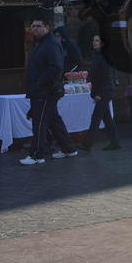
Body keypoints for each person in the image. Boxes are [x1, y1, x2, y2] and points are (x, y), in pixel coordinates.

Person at [21, 18, 78, 165]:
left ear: (47, 27)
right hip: (40, 89)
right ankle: (68, 148)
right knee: (54, 121)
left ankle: (36, 155)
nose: (35, 29)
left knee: (40, 123)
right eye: (33, 26)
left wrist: (40, 82)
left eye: (38, 26)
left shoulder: (51, 43)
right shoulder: (41, 44)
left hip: (46, 90)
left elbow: (56, 67)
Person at [76, 34, 121, 152]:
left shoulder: (105, 56)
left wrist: (100, 94)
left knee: (96, 117)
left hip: (106, 91)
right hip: (104, 90)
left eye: (97, 41)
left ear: (103, 43)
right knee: (106, 118)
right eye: (93, 40)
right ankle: (115, 142)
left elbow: (107, 78)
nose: (94, 42)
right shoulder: (98, 56)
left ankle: (87, 144)